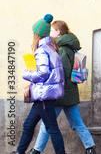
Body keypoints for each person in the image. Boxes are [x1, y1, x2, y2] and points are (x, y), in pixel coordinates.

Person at [29, 20, 97, 154]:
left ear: (58, 32)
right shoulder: (66, 47)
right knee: (77, 123)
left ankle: (36, 151)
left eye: (52, 30)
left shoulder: (63, 49)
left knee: (47, 123)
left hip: (59, 93)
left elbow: (63, 72)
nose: (49, 33)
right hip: (68, 93)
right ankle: (91, 149)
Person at [12, 14, 66, 154]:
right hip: (43, 94)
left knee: (52, 128)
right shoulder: (51, 48)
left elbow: (42, 73)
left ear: (37, 34)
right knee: (28, 125)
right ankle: (20, 151)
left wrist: (27, 74)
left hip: (44, 95)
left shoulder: (42, 50)